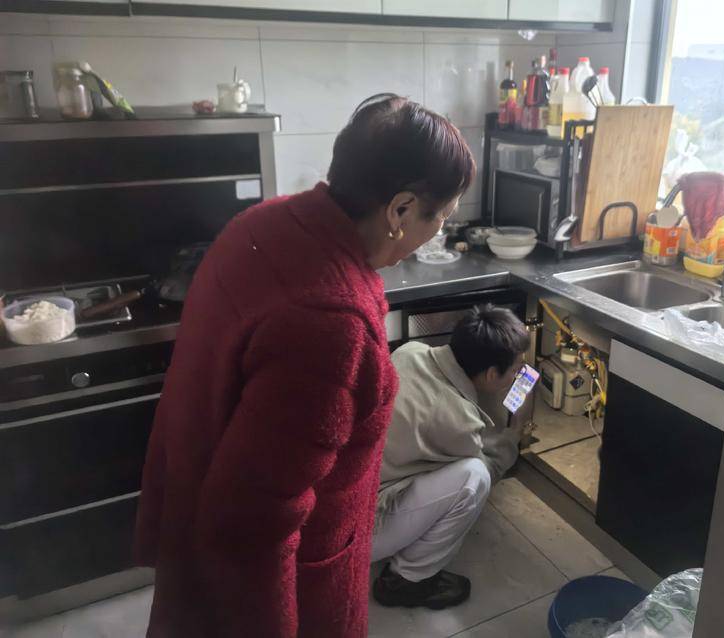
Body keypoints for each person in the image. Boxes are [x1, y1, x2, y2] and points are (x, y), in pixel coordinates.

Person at [133, 94, 475, 638]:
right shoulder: (330, 323)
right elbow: (252, 525)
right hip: (289, 583)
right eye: (442, 217)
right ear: (401, 209)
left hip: (194, 513)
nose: (438, 232)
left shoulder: (265, 223)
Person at [371, 305, 531, 609]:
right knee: (474, 478)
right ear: (491, 374)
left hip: (338, 507)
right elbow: (488, 464)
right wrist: (514, 435)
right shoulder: (460, 423)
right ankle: (406, 581)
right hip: (362, 530)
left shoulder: (409, 352)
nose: (518, 376)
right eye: (514, 370)